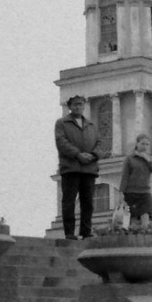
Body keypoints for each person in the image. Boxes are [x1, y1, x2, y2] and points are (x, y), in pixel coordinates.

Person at [54, 95, 106, 240]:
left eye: (81, 104)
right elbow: (61, 142)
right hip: (71, 168)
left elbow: (101, 143)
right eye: (75, 104)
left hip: (89, 169)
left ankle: (86, 232)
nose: (78, 107)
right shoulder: (62, 123)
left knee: (87, 203)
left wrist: (93, 155)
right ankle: (69, 233)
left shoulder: (91, 125)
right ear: (70, 106)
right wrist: (78, 155)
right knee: (69, 202)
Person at [118, 133, 152, 228]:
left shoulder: (149, 159)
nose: (145, 146)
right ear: (137, 143)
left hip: (144, 191)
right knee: (129, 215)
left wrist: (148, 160)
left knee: (145, 213)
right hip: (130, 191)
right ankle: (127, 232)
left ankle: (144, 231)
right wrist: (121, 192)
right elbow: (124, 176)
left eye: (147, 144)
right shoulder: (129, 158)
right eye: (142, 143)